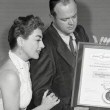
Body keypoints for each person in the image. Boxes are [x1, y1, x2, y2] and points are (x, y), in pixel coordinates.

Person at [27, 0, 110, 110]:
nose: (71, 23)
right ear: (52, 17)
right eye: (64, 19)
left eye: (74, 16)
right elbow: (40, 93)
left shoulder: (80, 31)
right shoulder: (43, 45)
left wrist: (99, 52)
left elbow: (86, 73)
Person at [0, 15, 60, 110]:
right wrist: (43, 107)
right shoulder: (10, 75)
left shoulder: (21, 65)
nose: (43, 45)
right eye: (37, 40)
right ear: (20, 41)